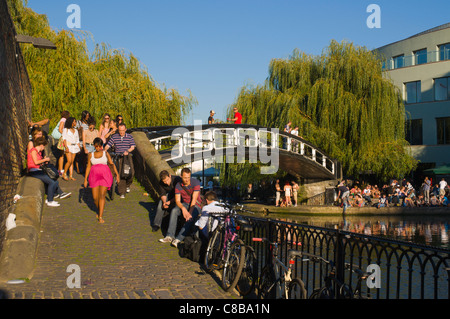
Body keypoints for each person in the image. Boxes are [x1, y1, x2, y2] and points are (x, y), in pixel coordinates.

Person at [159, 168, 202, 247]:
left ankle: (178, 239)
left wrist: (189, 213)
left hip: (196, 205)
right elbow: (178, 201)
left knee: (190, 217)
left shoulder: (196, 183)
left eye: (188, 177)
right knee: (175, 210)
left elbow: (194, 200)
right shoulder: (178, 185)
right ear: (181, 176)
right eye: (185, 178)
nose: (187, 180)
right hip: (185, 204)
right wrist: (183, 209)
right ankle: (170, 236)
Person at [27, 136, 71, 207]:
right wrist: (45, 160)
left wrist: (44, 161)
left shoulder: (39, 152)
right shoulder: (34, 151)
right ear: (41, 145)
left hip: (38, 170)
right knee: (51, 182)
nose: (44, 148)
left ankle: (59, 193)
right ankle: (49, 200)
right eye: (44, 146)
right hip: (34, 171)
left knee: (55, 181)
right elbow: (35, 162)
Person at [84, 138, 120, 223]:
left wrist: (117, 174)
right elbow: (88, 166)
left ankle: (100, 215)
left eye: (100, 146)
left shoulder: (105, 153)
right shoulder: (91, 154)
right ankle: (99, 208)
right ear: (94, 146)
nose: (98, 148)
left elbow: (111, 164)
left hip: (105, 176)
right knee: (95, 197)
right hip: (94, 177)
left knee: (102, 195)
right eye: (96, 146)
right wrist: (85, 179)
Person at [104, 123, 136, 198]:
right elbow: (108, 145)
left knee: (131, 173)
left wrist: (127, 151)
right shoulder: (115, 137)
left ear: (125, 130)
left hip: (127, 157)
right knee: (121, 174)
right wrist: (104, 150)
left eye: (122, 130)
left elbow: (133, 147)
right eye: (120, 130)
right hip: (118, 156)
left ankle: (127, 185)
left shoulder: (130, 137)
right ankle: (122, 192)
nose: (121, 132)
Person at [52, 110, 70, 176]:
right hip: (60, 137)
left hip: (61, 137)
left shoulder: (62, 119)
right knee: (62, 154)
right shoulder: (63, 119)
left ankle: (60, 169)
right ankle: (60, 170)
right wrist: (65, 135)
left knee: (61, 154)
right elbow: (60, 129)